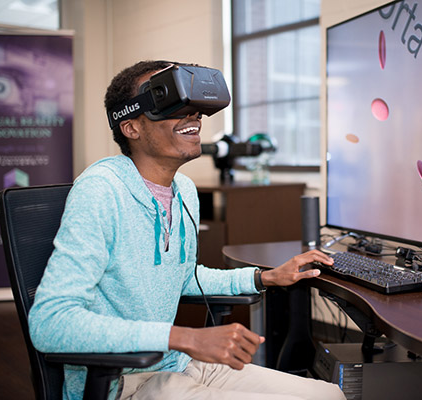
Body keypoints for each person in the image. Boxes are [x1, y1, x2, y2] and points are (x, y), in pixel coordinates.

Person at [28, 60, 345, 400]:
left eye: (195, 109)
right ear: (131, 127)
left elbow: (184, 277)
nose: (193, 117)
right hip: (120, 382)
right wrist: (186, 337)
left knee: (329, 395)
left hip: (177, 364)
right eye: (174, 106)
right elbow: (51, 323)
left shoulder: (184, 191)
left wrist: (263, 277)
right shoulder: (101, 190)